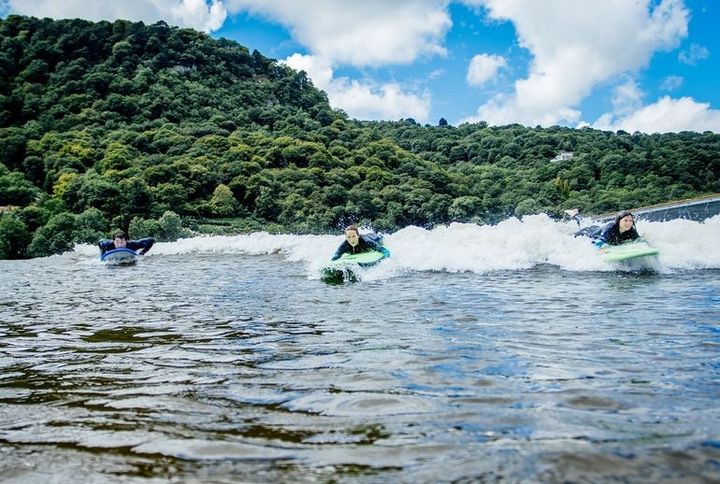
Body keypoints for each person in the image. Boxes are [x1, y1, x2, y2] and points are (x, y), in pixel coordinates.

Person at [574, 210, 641, 248]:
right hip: (588, 232)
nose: (629, 223)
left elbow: (639, 240)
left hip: (598, 228)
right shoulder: (610, 228)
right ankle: (575, 214)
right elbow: (597, 242)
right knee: (579, 227)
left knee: (584, 222)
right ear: (619, 221)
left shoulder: (631, 230)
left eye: (630, 220)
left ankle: (576, 214)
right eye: (625, 220)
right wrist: (600, 250)